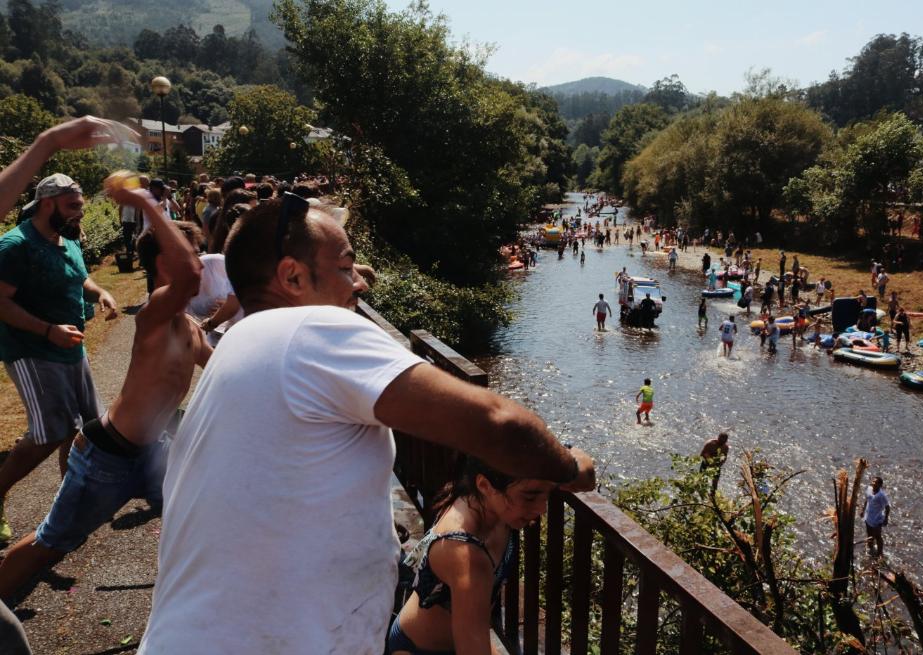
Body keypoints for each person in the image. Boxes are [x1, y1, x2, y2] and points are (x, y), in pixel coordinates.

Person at [138, 196, 596, 654]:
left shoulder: (242, 342)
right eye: (345, 267)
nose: (360, 283)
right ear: (292, 277)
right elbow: (497, 424)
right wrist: (567, 468)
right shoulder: (308, 329)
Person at [0, 181, 212, 599]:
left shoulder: (189, 327)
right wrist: (143, 203)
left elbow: (224, 367)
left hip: (152, 453)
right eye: (191, 257)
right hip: (106, 457)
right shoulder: (154, 315)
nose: (201, 266)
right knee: (51, 543)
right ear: (166, 265)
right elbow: (187, 278)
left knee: (202, 515)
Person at [0, 140, 136, 543]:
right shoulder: (15, 245)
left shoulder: (69, 239)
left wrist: (100, 293)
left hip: (70, 348)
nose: (80, 212)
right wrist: (46, 330)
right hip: (32, 350)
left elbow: (80, 277)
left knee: (86, 428)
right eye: (73, 206)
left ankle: (67, 506)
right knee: (50, 432)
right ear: (48, 205)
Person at [389, 455, 557, 654]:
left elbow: (583, 472)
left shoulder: (486, 501)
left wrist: (565, 460)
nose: (542, 508)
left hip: (463, 637)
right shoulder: (465, 553)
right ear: (485, 485)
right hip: (420, 648)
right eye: (530, 497)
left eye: (548, 495)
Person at [861, 476, 890, 558]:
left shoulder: (881, 496)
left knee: (878, 536)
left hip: (877, 520)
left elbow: (887, 507)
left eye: (876, 482)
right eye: (873, 481)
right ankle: (870, 549)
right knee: (869, 534)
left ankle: (879, 553)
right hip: (868, 517)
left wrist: (886, 518)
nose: (873, 483)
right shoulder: (869, 489)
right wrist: (863, 510)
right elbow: (867, 499)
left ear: (880, 485)